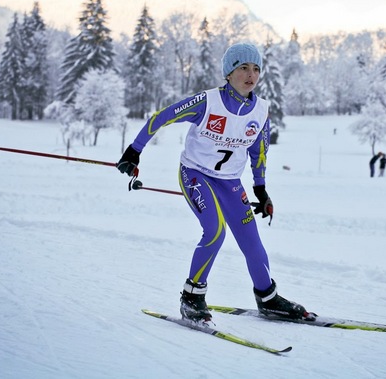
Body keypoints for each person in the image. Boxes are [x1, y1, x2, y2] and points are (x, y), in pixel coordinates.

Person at [116, 43, 311, 323]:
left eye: (256, 69)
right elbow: (162, 117)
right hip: (195, 173)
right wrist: (134, 150)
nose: (251, 74)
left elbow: (260, 152)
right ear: (229, 73)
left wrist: (261, 189)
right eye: (243, 67)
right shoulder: (208, 102)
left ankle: (268, 298)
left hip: (230, 181)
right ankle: (192, 297)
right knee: (215, 231)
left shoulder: (262, 111)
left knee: (252, 241)